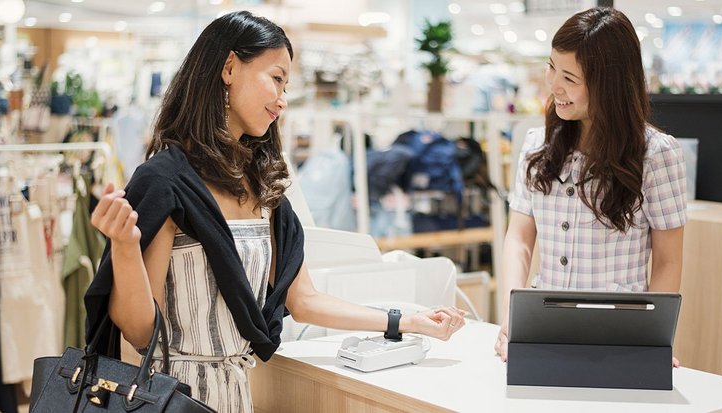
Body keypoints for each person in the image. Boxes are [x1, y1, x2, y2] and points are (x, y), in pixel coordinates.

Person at [84, 11, 465, 413]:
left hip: (237, 395)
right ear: (229, 67)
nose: (282, 99)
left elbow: (305, 300)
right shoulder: (165, 181)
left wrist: (403, 322)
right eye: (277, 78)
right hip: (173, 397)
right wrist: (124, 246)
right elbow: (140, 330)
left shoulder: (264, 187)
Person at [494, 7, 686, 363]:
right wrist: (511, 314)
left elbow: (668, 261)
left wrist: (654, 338)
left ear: (608, 84)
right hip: (541, 326)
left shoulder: (657, 154)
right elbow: (519, 239)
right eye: (552, 67)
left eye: (570, 77)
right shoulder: (537, 145)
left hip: (619, 333)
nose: (554, 86)